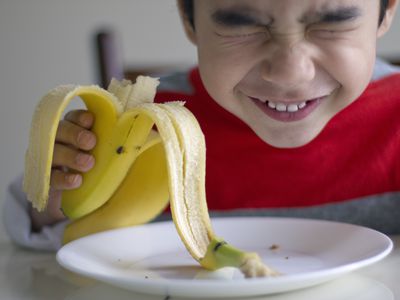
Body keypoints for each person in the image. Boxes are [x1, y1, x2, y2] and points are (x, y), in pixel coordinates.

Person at [4, 0, 400, 250]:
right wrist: (56, 198)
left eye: (333, 21)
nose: (288, 72)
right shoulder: (137, 124)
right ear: (188, 18)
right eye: (243, 23)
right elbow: (42, 249)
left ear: (386, 12)